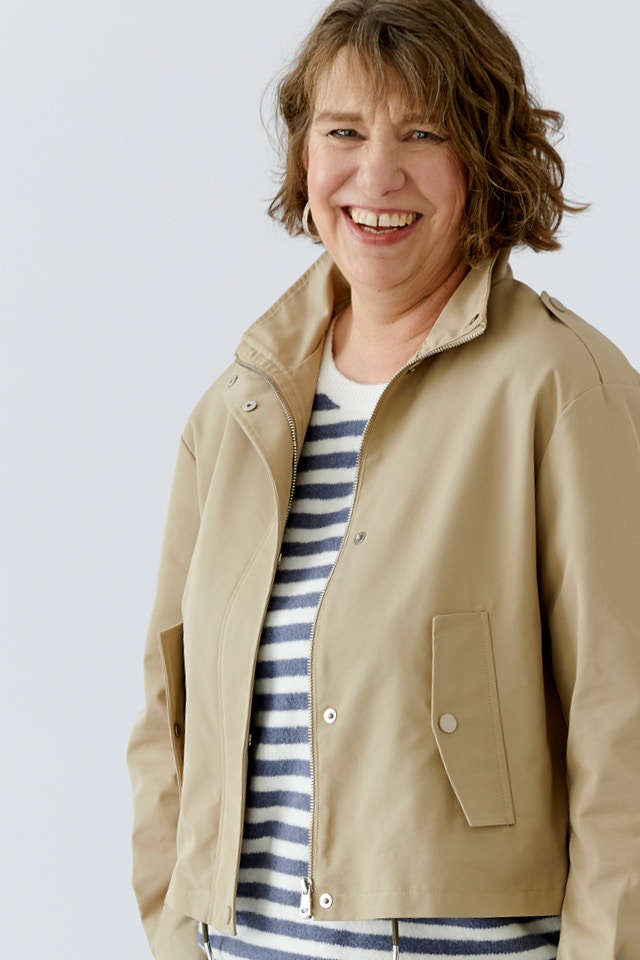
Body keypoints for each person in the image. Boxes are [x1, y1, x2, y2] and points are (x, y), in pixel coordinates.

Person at [127, 1, 640, 958]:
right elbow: (169, 707)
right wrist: (173, 934)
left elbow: (627, 729)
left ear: (484, 158)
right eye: (344, 132)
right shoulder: (239, 409)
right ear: (304, 158)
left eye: (423, 133)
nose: (376, 175)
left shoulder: (563, 390)